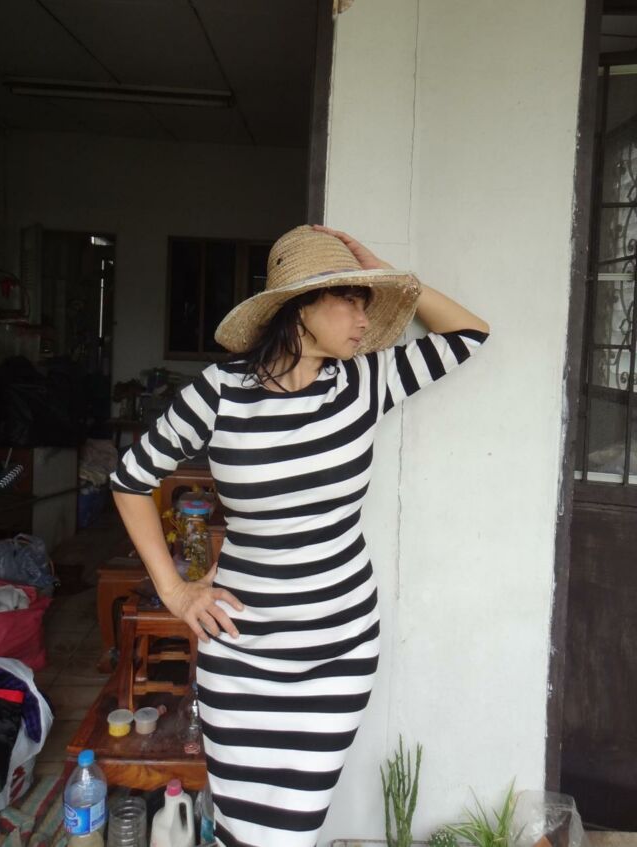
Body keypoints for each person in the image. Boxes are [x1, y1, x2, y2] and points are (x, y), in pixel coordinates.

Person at [110, 223, 489, 847]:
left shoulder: (365, 383)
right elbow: (130, 480)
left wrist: (389, 274)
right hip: (242, 653)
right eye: (350, 300)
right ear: (300, 306)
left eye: (368, 304)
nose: (364, 320)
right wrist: (175, 592)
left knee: (291, 831)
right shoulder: (220, 393)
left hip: (336, 651)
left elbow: (469, 334)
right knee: (240, 830)